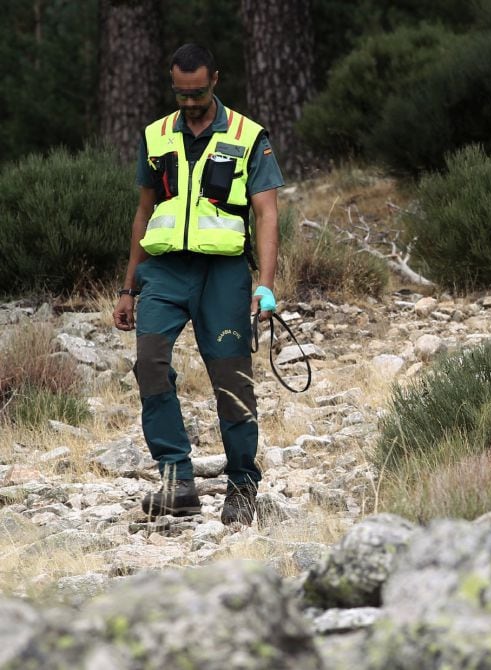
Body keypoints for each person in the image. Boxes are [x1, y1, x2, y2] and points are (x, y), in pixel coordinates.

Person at [112, 43, 284, 526]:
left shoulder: (250, 136)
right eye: (181, 93)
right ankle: (176, 481)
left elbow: (267, 213)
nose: (189, 102)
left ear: (216, 81)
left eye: (198, 92)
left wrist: (265, 285)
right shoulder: (157, 135)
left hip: (223, 276)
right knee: (149, 365)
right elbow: (144, 211)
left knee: (231, 380)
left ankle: (243, 486)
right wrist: (129, 287)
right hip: (164, 273)